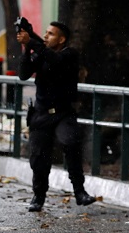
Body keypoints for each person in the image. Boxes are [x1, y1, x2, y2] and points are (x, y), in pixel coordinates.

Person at [17, 20, 97, 212]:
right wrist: (26, 49)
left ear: (62, 39)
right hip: (41, 113)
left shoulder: (69, 54)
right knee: (38, 157)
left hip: (63, 113)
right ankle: (38, 196)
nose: (45, 36)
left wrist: (33, 42)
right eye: (45, 33)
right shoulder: (41, 54)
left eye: (51, 34)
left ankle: (79, 191)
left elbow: (56, 61)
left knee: (70, 143)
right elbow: (23, 74)